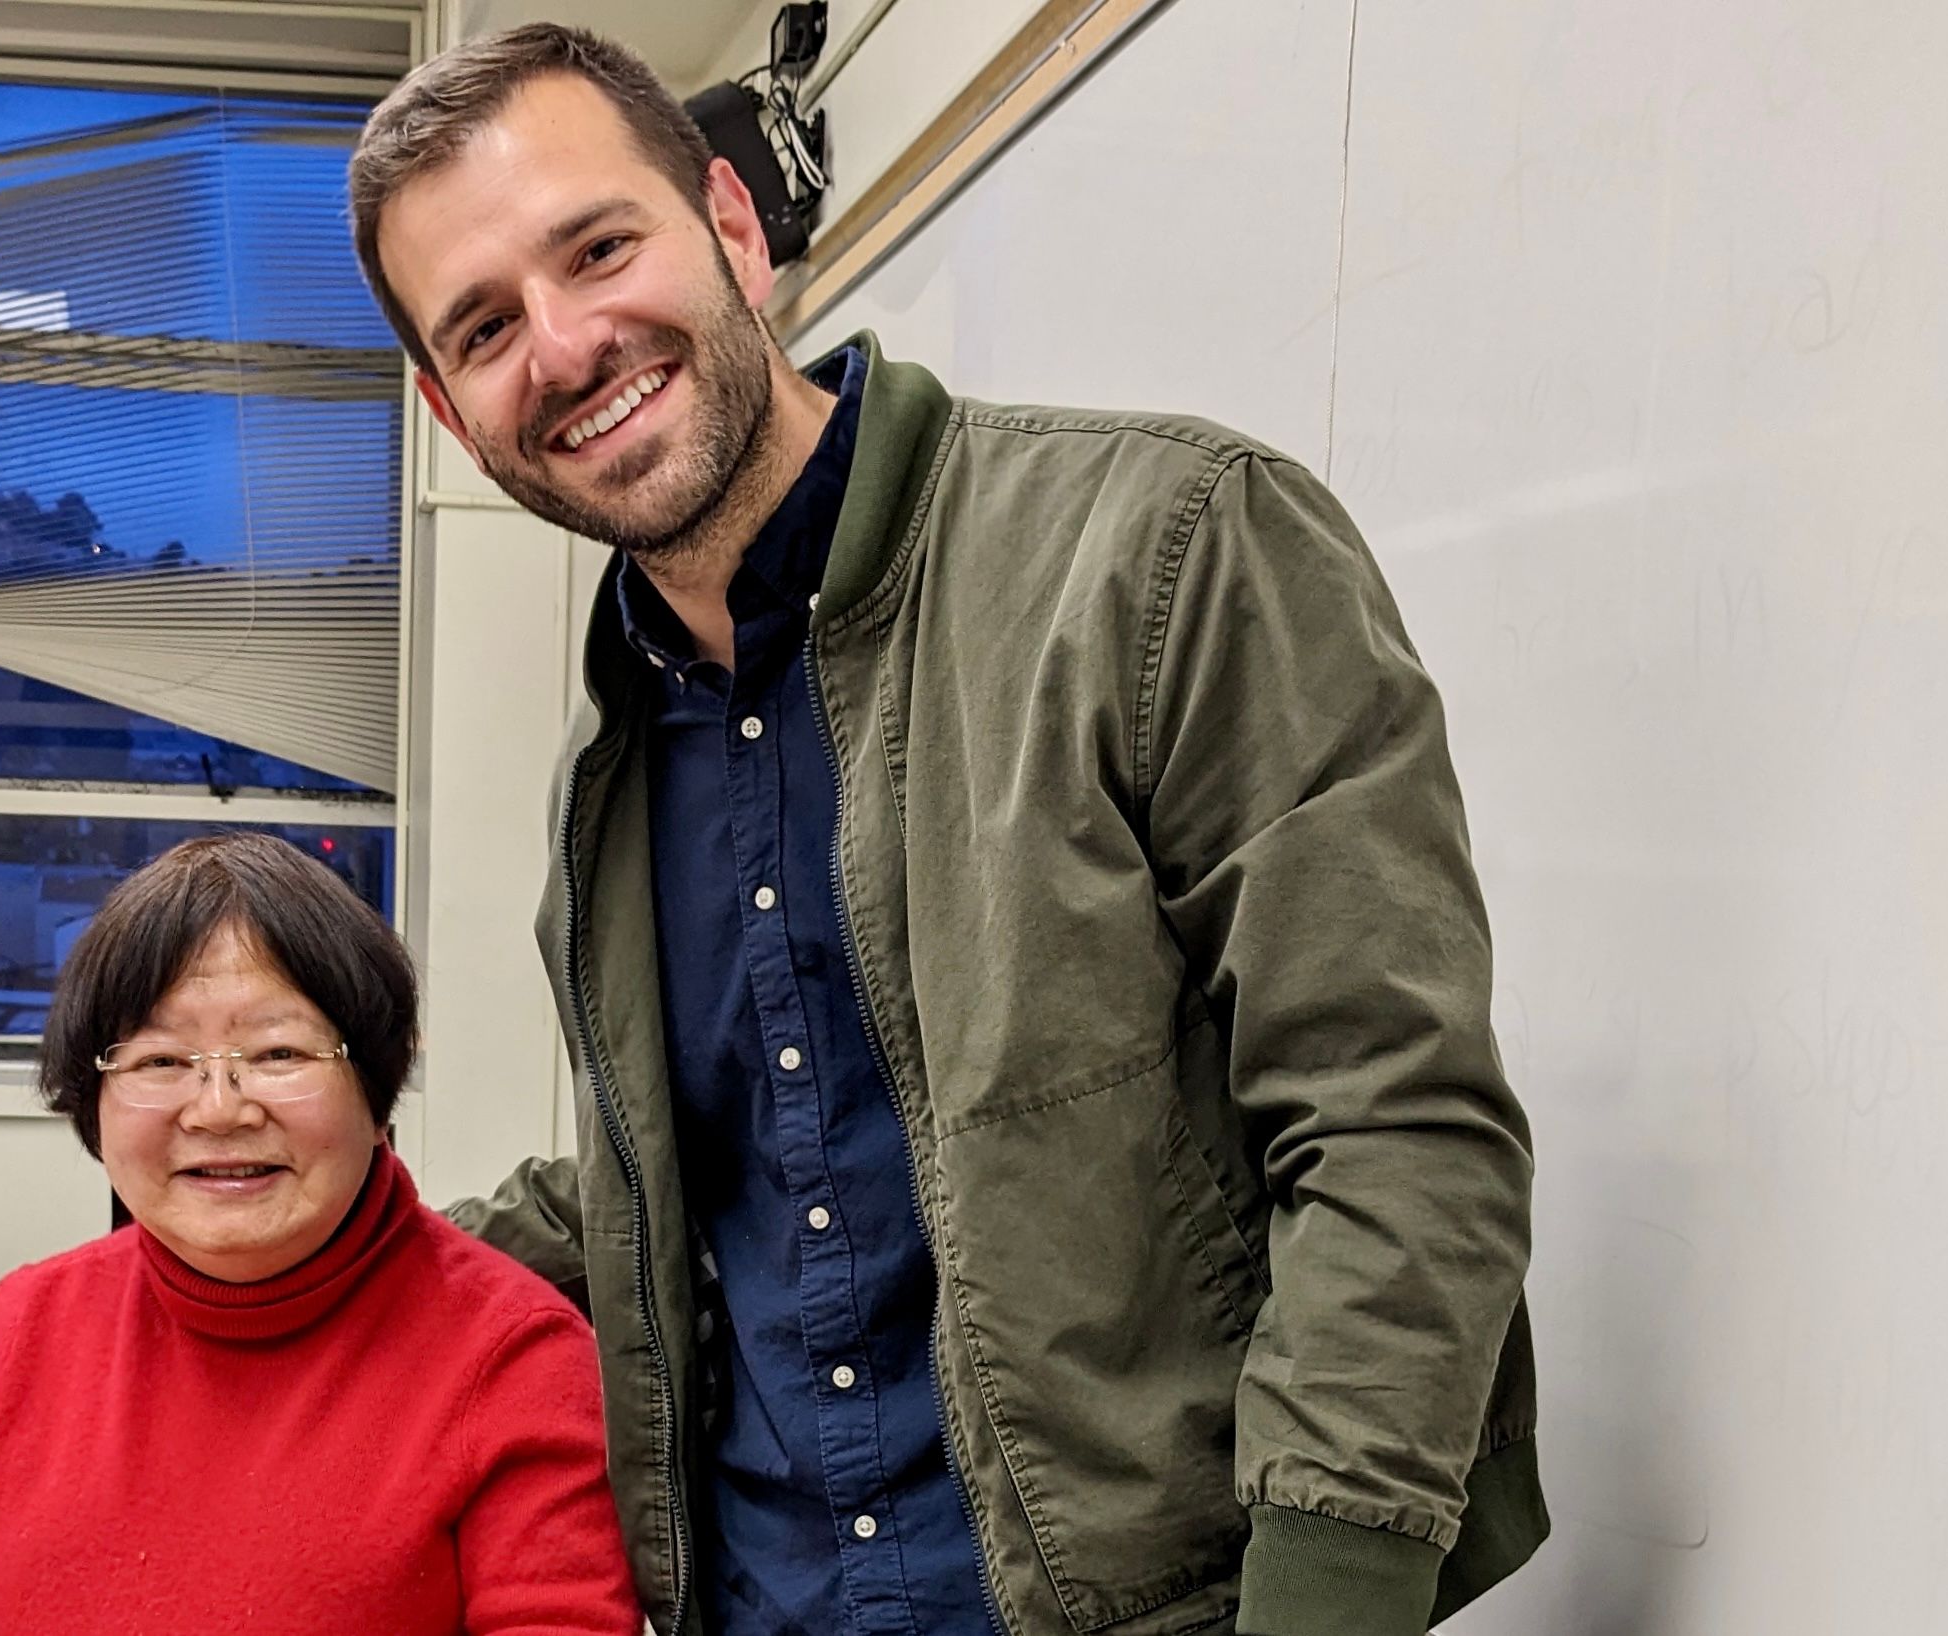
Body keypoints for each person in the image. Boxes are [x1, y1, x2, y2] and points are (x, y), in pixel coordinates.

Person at [349, 26, 1544, 1636]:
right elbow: (708, 1170)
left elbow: (1392, 1126)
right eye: (484, 326)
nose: (562, 345)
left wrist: (1329, 1601)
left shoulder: (1164, 552)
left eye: (599, 246)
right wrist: (303, 1228)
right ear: (446, 408)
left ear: (732, 225)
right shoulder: (608, 769)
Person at [0, 833, 640, 1636]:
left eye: (278, 1052)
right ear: (91, 1098)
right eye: (159, 1061)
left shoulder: (518, 1361)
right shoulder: (28, 1323)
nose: (219, 1108)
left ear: (377, 1089)